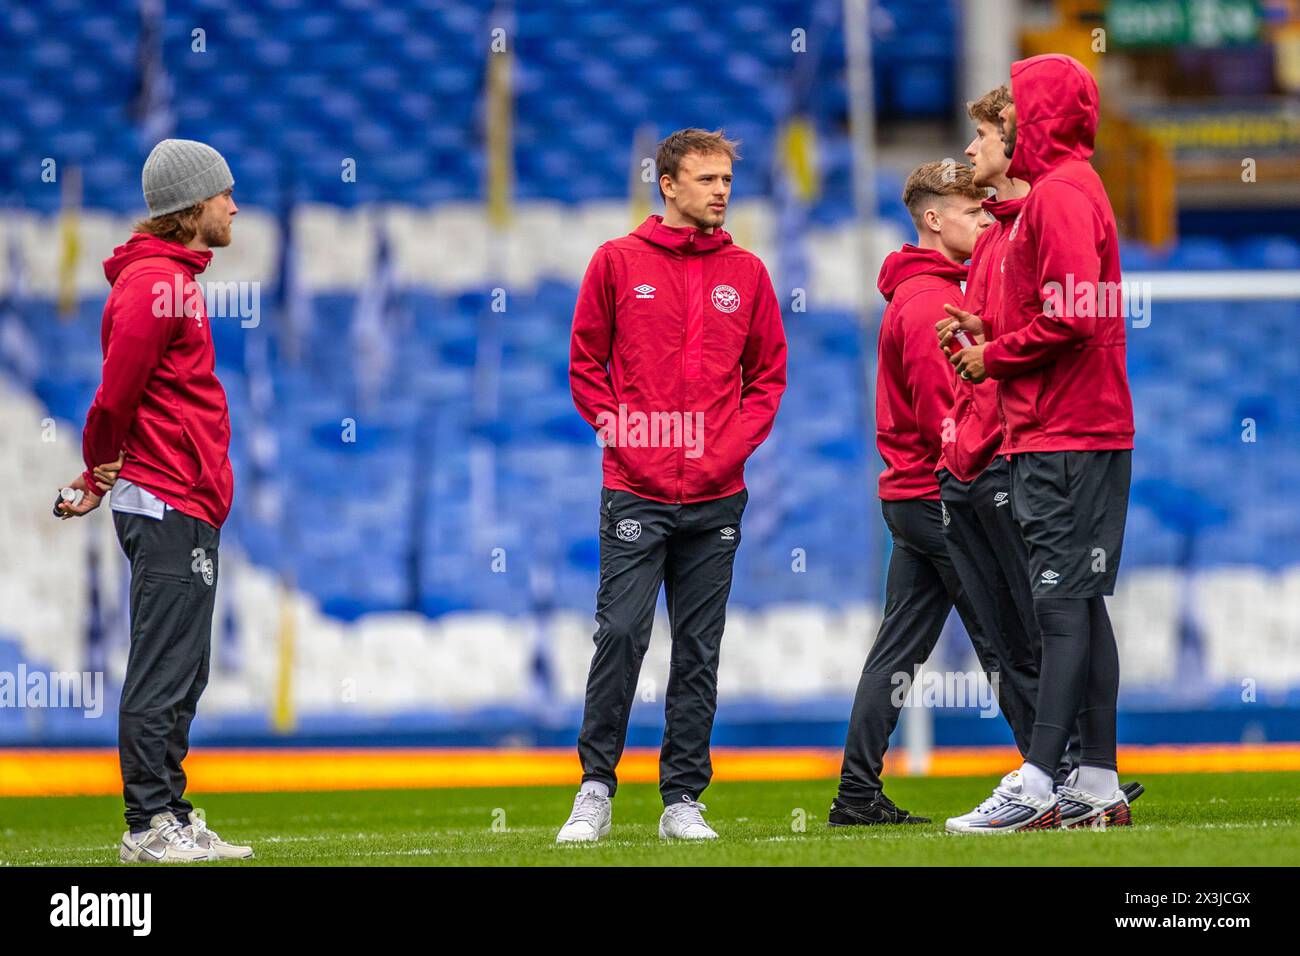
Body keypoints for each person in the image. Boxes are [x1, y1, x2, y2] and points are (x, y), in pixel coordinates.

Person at [560, 128, 787, 842]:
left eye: (727, 179)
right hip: (636, 489)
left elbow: (768, 377)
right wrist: (631, 444)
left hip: (717, 494)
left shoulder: (747, 273)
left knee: (700, 646)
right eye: (707, 178)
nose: (722, 190)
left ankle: (682, 798)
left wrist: (729, 450)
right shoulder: (617, 263)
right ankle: (595, 788)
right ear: (668, 184)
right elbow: (586, 368)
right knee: (621, 634)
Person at [944, 55, 1136, 833]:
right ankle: (1095, 780)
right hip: (1073, 422)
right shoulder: (1071, 191)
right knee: (1081, 604)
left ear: (1042, 116)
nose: (1005, 122)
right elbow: (1065, 309)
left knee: (1059, 604)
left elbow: (1074, 319)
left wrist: (995, 355)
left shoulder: (1058, 195)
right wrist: (998, 336)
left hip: (1065, 428)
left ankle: (1038, 784)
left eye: (1017, 107)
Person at [59, 139, 253, 862]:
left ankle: (171, 811)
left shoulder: (170, 279)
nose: (234, 205)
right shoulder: (152, 285)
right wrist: (95, 474)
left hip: (186, 497)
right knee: (163, 667)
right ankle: (146, 828)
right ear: (192, 208)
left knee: (185, 668)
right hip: (165, 495)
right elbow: (115, 395)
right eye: (224, 194)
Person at [828, 161, 995, 826]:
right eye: (973, 210)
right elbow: (945, 417)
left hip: (913, 495)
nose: (986, 219)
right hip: (939, 495)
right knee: (1006, 636)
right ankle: (1058, 778)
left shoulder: (931, 292)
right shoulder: (930, 303)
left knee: (898, 649)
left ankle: (855, 794)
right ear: (933, 219)